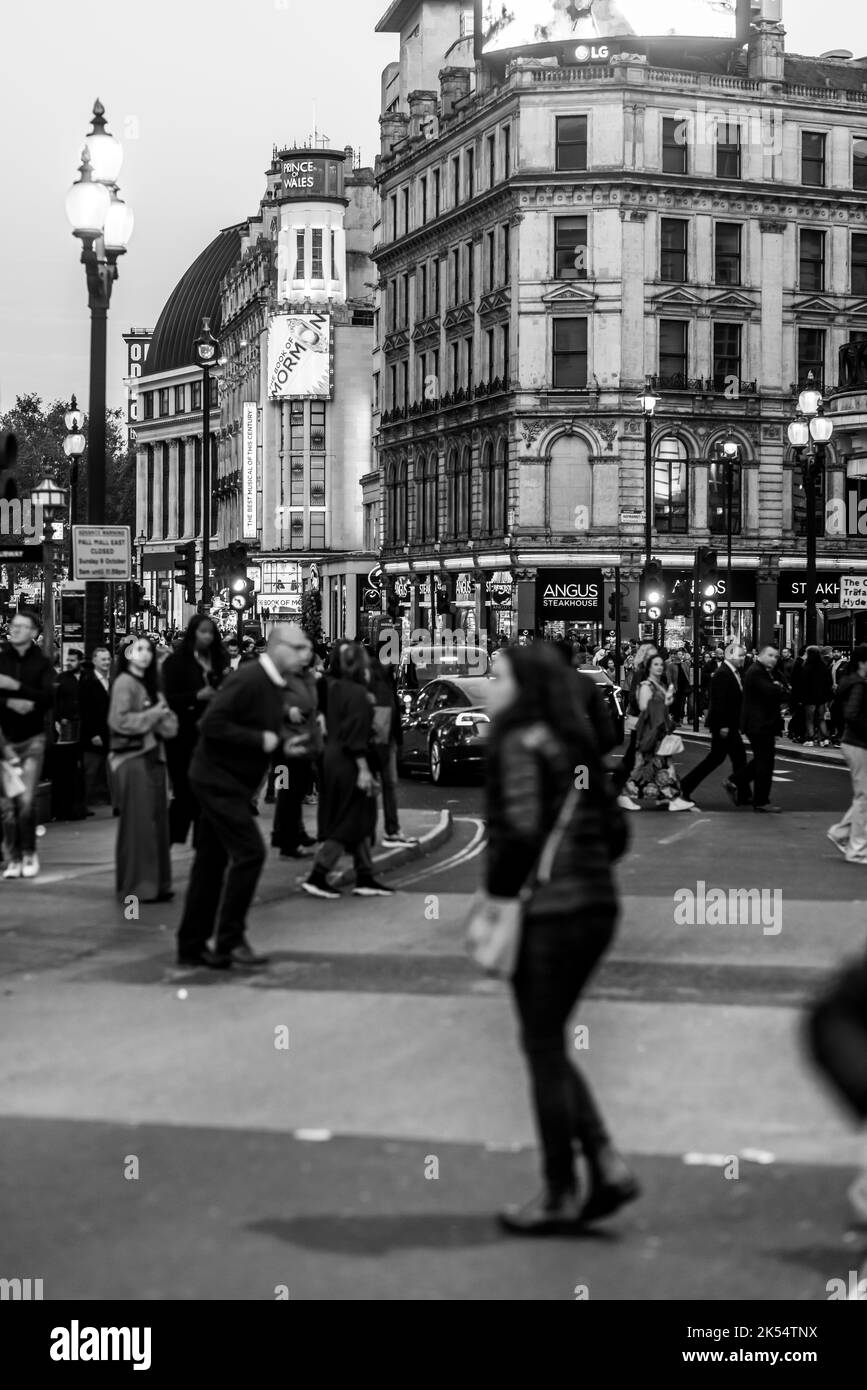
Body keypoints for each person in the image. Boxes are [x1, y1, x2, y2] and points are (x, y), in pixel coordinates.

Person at [484, 642, 638, 1234]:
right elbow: (618, 834)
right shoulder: (573, 745)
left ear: (524, 689)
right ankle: (603, 1163)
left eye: (497, 677)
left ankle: (560, 1191)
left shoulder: (518, 743)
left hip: (552, 910)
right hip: (597, 905)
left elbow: (520, 835)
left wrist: (496, 899)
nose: (488, 685)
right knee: (549, 1042)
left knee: (542, 1047)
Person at [175, 624, 309, 969]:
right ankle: (229, 940)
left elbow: (254, 722)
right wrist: (261, 741)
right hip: (219, 781)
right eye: (298, 647)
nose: (305, 654)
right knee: (249, 853)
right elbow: (212, 724)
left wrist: (281, 741)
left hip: (226, 780)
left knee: (211, 862)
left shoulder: (274, 684)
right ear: (278, 648)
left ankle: (192, 945)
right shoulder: (249, 679)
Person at [302, 641, 391, 900]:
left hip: (331, 758)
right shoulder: (359, 695)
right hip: (349, 762)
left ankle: (365, 875)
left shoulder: (332, 688)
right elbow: (356, 737)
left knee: (360, 816)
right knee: (349, 820)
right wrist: (364, 770)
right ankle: (318, 875)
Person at [108, 637, 175, 904]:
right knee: (140, 824)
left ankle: (155, 882)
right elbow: (119, 720)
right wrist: (154, 716)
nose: (145, 655)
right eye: (139, 650)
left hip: (154, 756)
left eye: (148, 650)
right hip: (133, 758)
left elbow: (169, 724)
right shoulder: (125, 683)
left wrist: (160, 717)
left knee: (156, 823)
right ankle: (139, 885)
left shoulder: (151, 685)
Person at [161, 615, 228, 845]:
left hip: (211, 736)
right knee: (186, 791)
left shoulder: (219, 661)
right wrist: (197, 696)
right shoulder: (176, 662)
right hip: (183, 735)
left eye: (211, 632)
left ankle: (204, 842)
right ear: (193, 633)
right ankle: (171, 837)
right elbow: (168, 698)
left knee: (208, 793)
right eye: (202, 631)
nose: (207, 637)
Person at [0, 610, 55, 879]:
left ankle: (29, 852)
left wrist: (15, 687)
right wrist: (9, 701)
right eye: (14, 625)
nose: (16, 630)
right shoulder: (1, 660)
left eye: (23, 627)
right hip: (5, 741)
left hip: (32, 739)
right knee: (8, 806)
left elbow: (47, 698)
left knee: (26, 801)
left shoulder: (42, 664)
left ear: (34, 632)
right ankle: (13, 858)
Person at [271, 626, 322, 858]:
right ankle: (286, 839)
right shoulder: (283, 674)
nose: (306, 653)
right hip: (285, 745)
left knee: (296, 791)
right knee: (286, 791)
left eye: (310, 649)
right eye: (301, 649)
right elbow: (268, 700)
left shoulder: (309, 677)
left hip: (305, 743)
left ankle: (294, 832)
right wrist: (286, 710)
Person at [680, 643, 750, 808]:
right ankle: (684, 787)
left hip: (729, 725)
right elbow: (718, 701)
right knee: (716, 759)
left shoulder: (733, 672)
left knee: (736, 758)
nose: (743, 658)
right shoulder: (722, 674)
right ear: (730, 656)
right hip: (723, 725)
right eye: (740, 656)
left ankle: (744, 795)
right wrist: (724, 725)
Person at [623, 655, 694, 811]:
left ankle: (669, 798)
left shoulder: (659, 684)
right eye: (656, 664)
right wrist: (662, 702)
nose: (660, 667)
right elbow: (644, 707)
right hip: (650, 730)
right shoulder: (646, 685)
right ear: (649, 667)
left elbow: (662, 704)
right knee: (643, 765)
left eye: (661, 664)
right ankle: (624, 795)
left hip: (658, 730)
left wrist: (667, 700)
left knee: (661, 765)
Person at [366, 642, 418, 849]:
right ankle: (390, 830)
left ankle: (373, 832)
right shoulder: (382, 679)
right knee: (387, 786)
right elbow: (386, 713)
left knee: (377, 788)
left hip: (380, 743)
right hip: (383, 744)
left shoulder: (376, 679)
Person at [730, 645, 789, 814]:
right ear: (761, 656)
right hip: (758, 724)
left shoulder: (765, 672)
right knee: (765, 762)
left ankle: (736, 781)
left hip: (763, 723)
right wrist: (778, 687)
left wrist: (778, 687)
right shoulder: (756, 671)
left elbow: (781, 692)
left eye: (776, 656)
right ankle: (761, 800)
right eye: (770, 655)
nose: (774, 659)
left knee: (763, 760)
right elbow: (772, 692)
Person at [828, 645, 867, 864]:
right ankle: (857, 849)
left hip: (854, 742)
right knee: (864, 798)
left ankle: (841, 833)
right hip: (858, 743)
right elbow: (852, 714)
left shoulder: (852, 681)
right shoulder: (859, 685)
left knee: (865, 795)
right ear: (863, 663)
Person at [51, 648, 87, 821]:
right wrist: (57, 720)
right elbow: (55, 702)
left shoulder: (86, 678)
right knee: (70, 764)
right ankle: (70, 805)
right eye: (68, 659)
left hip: (84, 724)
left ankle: (81, 804)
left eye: (73, 660)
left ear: (80, 660)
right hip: (67, 724)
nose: (69, 662)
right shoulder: (62, 678)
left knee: (83, 765)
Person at [79, 646, 113, 808]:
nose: (106, 662)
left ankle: (110, 800)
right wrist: (93, 733)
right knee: (90, 771)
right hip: (94, 735)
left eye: (108, 659)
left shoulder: (111, 680)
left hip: (109, 733)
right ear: (94, 661)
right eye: (103, 659)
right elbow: (85, 710)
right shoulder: (88, 681)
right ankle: (83, 802)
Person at [801, 645, 833, 747]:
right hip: (822, 697)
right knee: (821, 719)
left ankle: (810, 739)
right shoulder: (823, 666)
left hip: (809, 697)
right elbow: (829, 682)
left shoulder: (807, 667)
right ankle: (825, 738)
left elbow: (803, 684)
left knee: (809, 719)